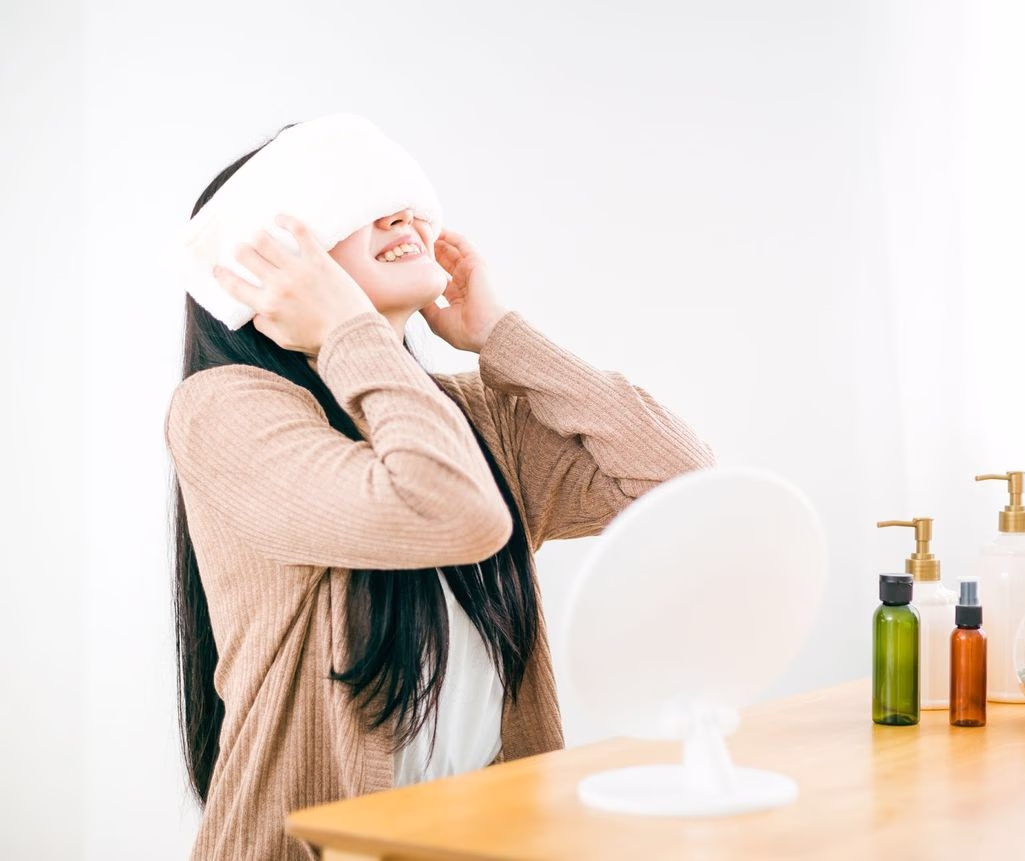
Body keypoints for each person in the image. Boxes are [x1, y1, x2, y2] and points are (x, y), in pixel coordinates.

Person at [166, 125, 715, 860]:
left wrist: (501, 335)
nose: (398, 214)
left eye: (399, 197)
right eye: (346, 202)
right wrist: (347, 329)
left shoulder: (472, 418)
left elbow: (683, 487)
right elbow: (449, 509)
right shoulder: (224, 409)